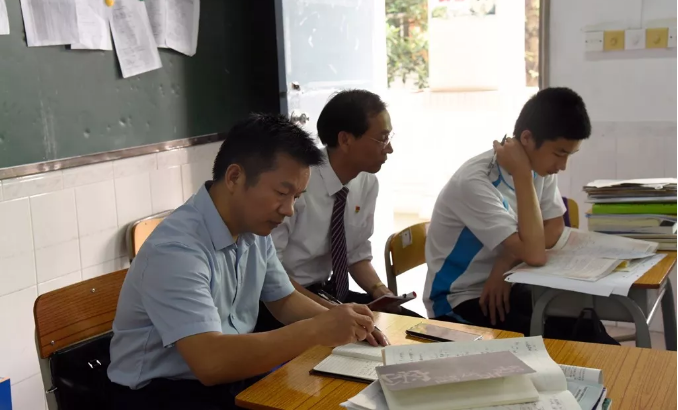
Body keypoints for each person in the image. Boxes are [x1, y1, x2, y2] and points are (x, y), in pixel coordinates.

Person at [107, 114, 387, 410]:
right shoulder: (176, 250)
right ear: (234, 177)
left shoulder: (253, 227)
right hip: (160, 394)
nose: (289, 210)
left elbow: (284, 299)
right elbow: (210, 362)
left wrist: (343, 321)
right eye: (282, 193)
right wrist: (318, 329)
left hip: (227, 377)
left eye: (296, 197)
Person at [423, 87, 592, 336]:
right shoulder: (475, 181)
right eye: (559, 153)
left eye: (569, 155)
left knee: (584, 323)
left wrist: (504, 263)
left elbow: (554, 227)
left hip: (512, 279)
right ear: (527, 138)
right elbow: (535, 254)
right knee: (552, 339)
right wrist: (522, 174)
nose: (563, 165)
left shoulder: (542, 166)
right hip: (460, 298)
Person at [255, 89, 420, 334]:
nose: (389, 149)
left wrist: (379, 291)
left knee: (413, 326)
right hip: (284, 301)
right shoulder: (297, 185)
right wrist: (331, 312)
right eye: (382, 139)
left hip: (328, 293)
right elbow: (271, 274)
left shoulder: (367, 183)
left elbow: (356, 254)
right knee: (364, 337)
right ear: (345, 140)